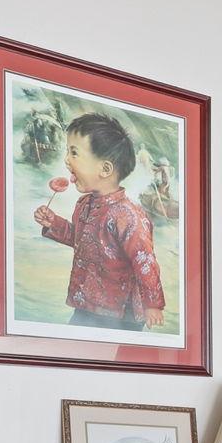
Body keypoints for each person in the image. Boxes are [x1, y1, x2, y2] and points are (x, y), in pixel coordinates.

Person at [31, 113, 165, 333]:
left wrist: (153, 305)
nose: (66, 160)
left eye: (74, 153)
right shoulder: (83, 205)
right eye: (67, 151)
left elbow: (145, 262)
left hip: (122, 314)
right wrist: (53, 223)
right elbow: (82, 240)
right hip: (87, 303)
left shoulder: (128, 216)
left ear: (105, 169)